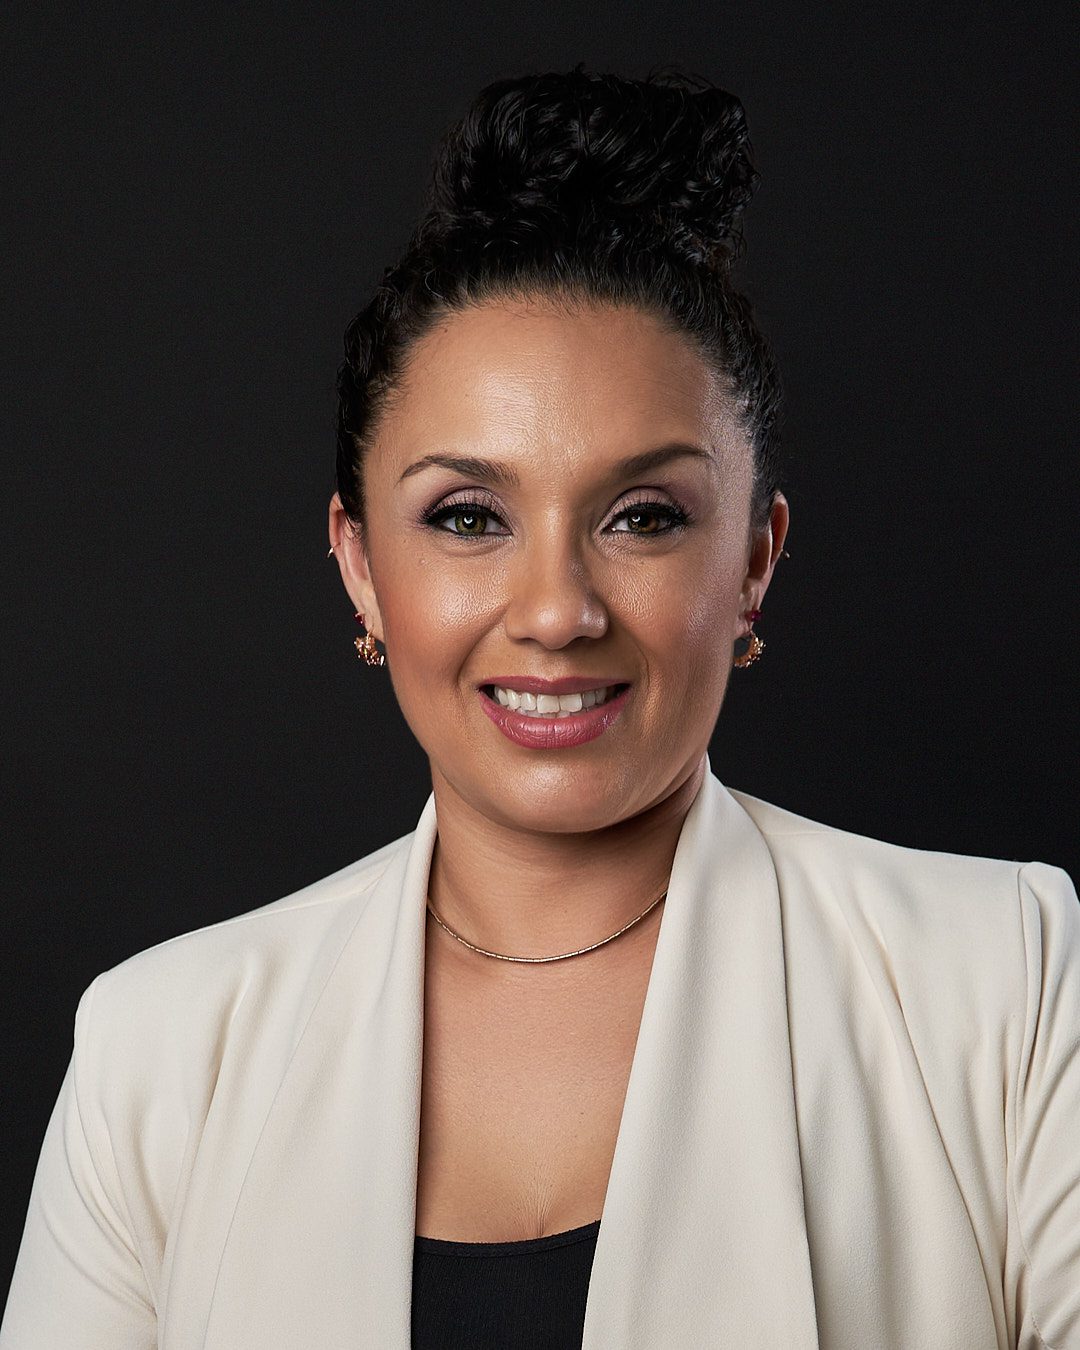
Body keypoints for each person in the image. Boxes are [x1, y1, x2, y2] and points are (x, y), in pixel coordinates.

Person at [2, 64, 1077, 1350]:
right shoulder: (161, 1054)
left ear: (754, 562)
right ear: (359, 563)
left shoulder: (1006, 986)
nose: (557, 608)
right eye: (468, 517)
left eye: (644, 517)